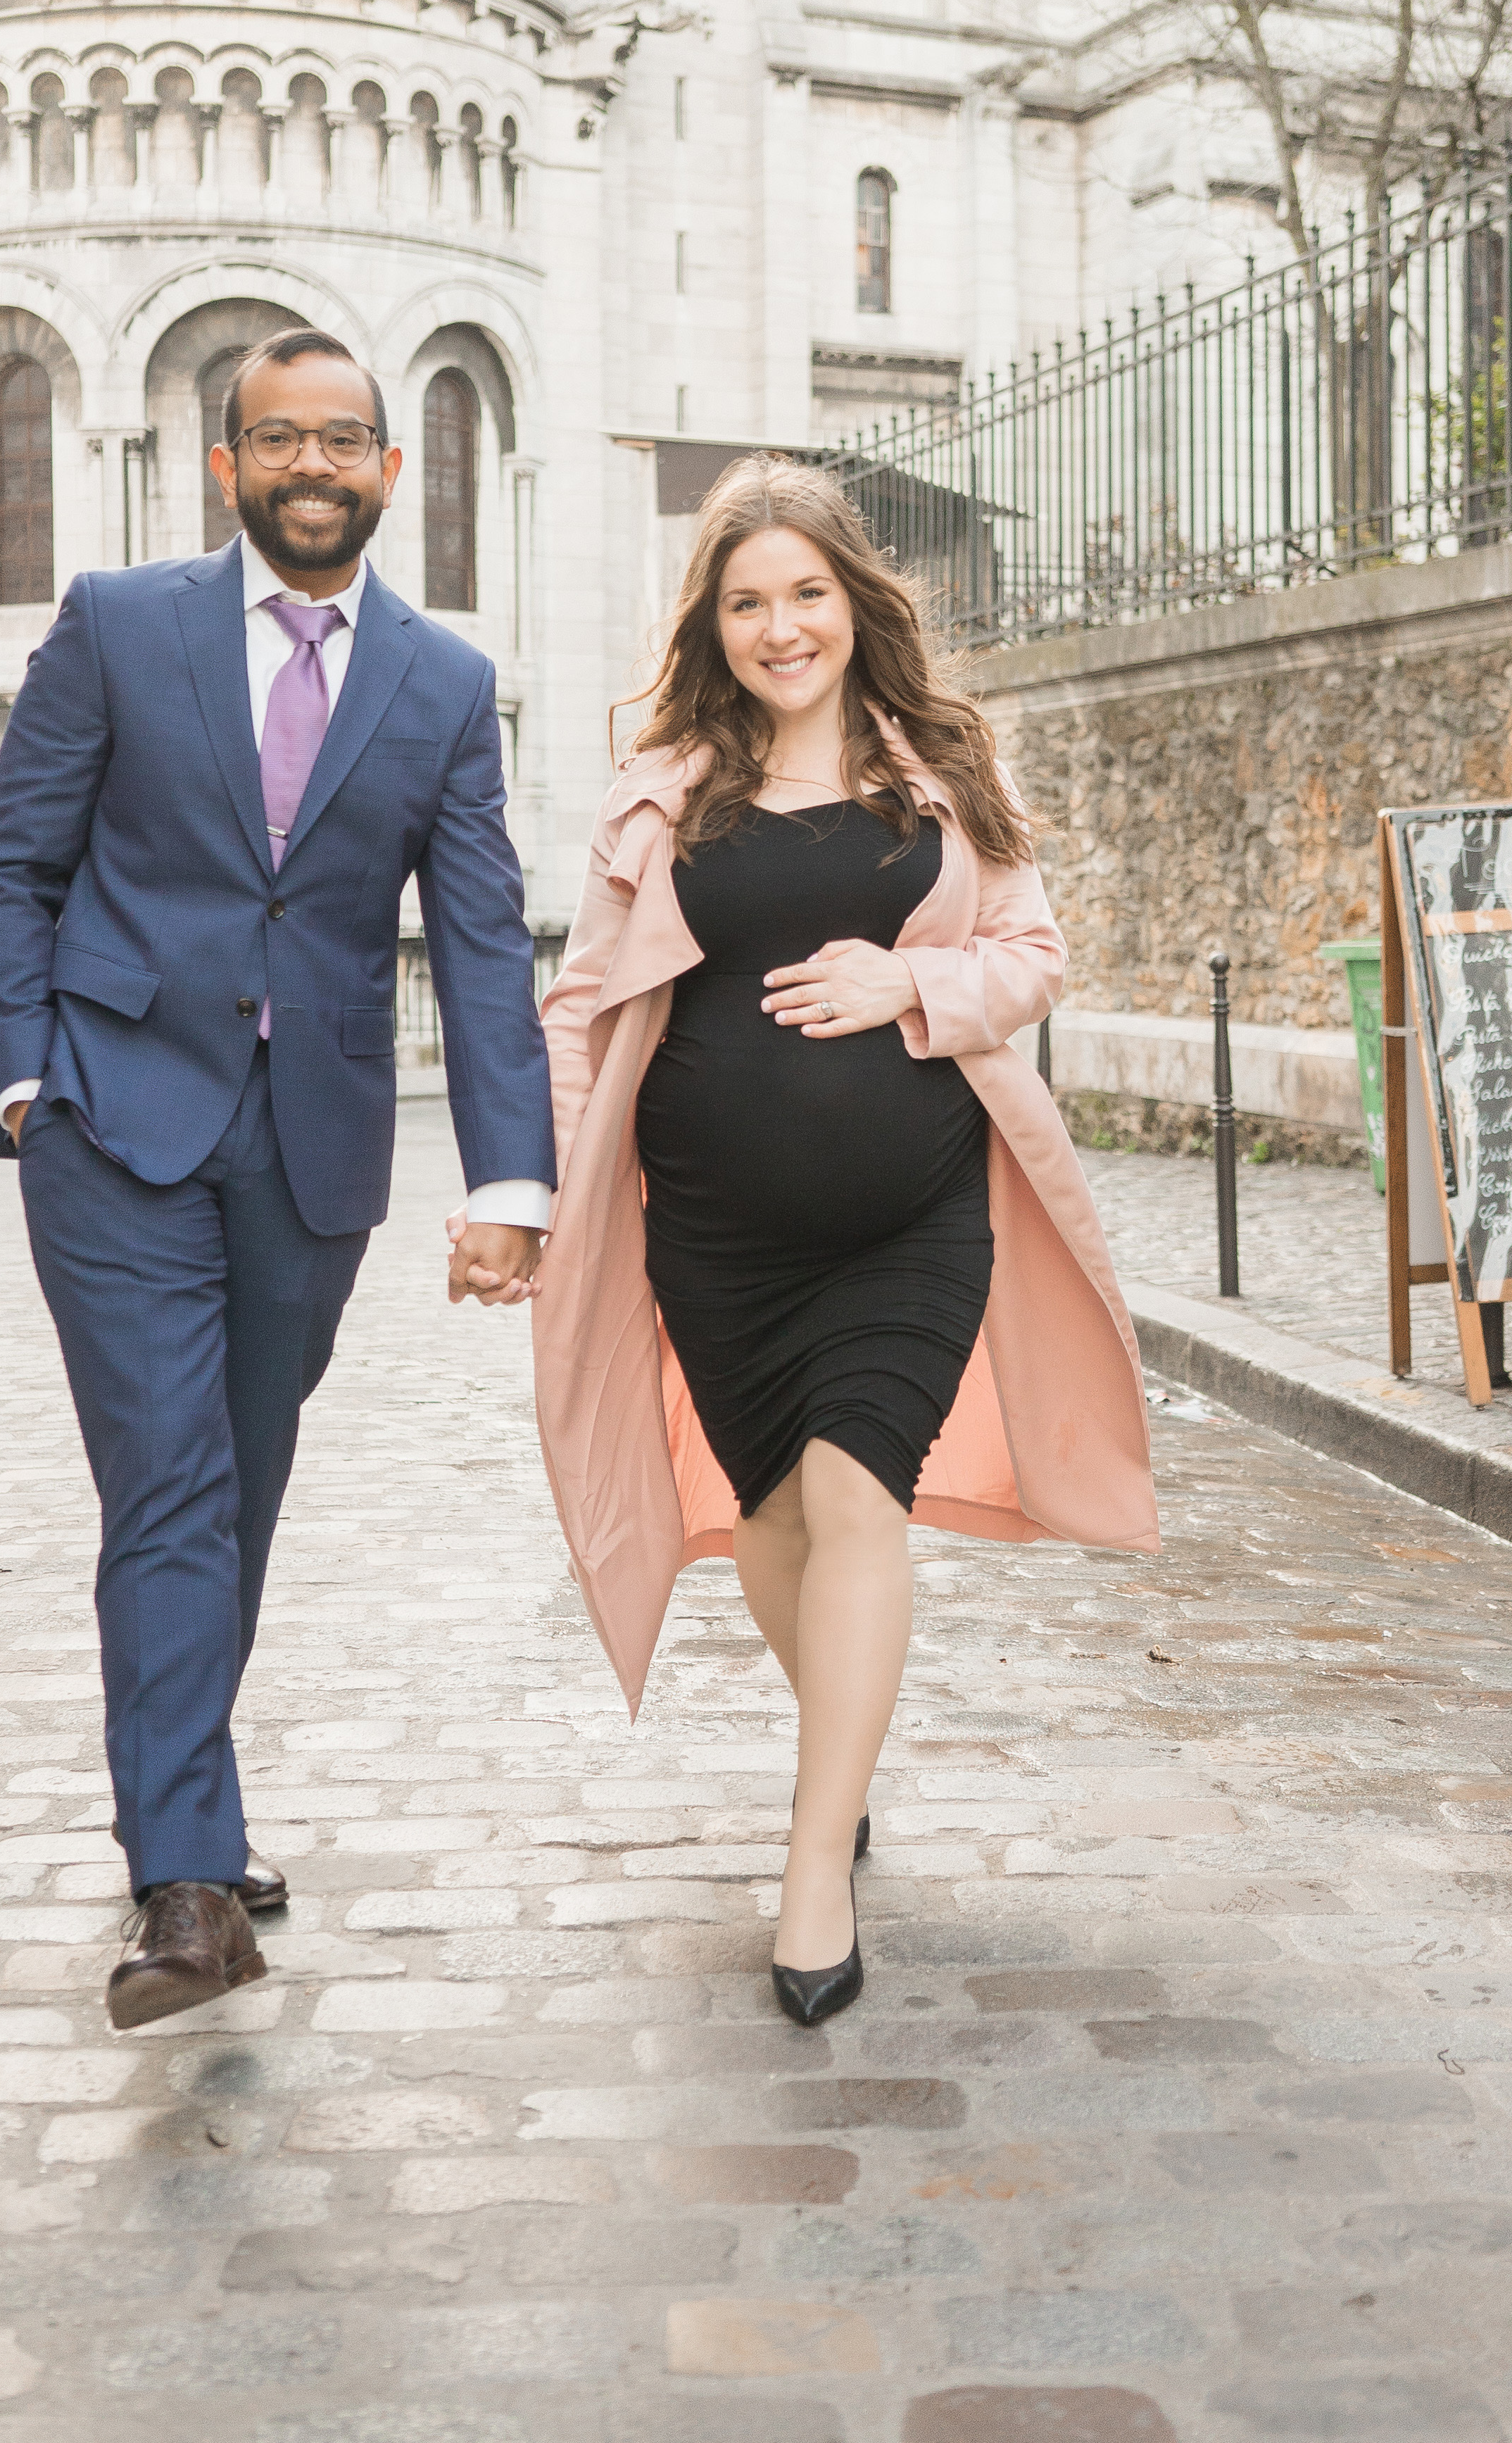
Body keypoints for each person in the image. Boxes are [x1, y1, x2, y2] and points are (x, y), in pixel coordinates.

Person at [0, 327, 553, 2030]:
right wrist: (24, 1082)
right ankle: (190, 1887)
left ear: (384, 466)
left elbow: (486, 942)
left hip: (314, 1147)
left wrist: (510, 1171)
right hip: (113, 1118)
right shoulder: (121, 624)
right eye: (278, 439)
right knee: (168, 1476)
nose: (314, 464)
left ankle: (185, 1792)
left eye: (344, 440)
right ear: (225, 466)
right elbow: (13, 866)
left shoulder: (441, 683)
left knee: (244, 1477)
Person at [522, 458, 1157, 2025]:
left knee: (858, 1493)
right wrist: (537, 1195)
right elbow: (584, 1006)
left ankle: (816, 1867)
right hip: (717, 1242)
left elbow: (1031, 951)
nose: (779, 625)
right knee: (777, 1528)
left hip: (914, 1214)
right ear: (714, 623)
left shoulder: (941, 766)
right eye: (747, 601)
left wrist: (910, 987)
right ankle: (844, 1751)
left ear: (854, 600)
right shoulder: (664, 783)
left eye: (806, 592)